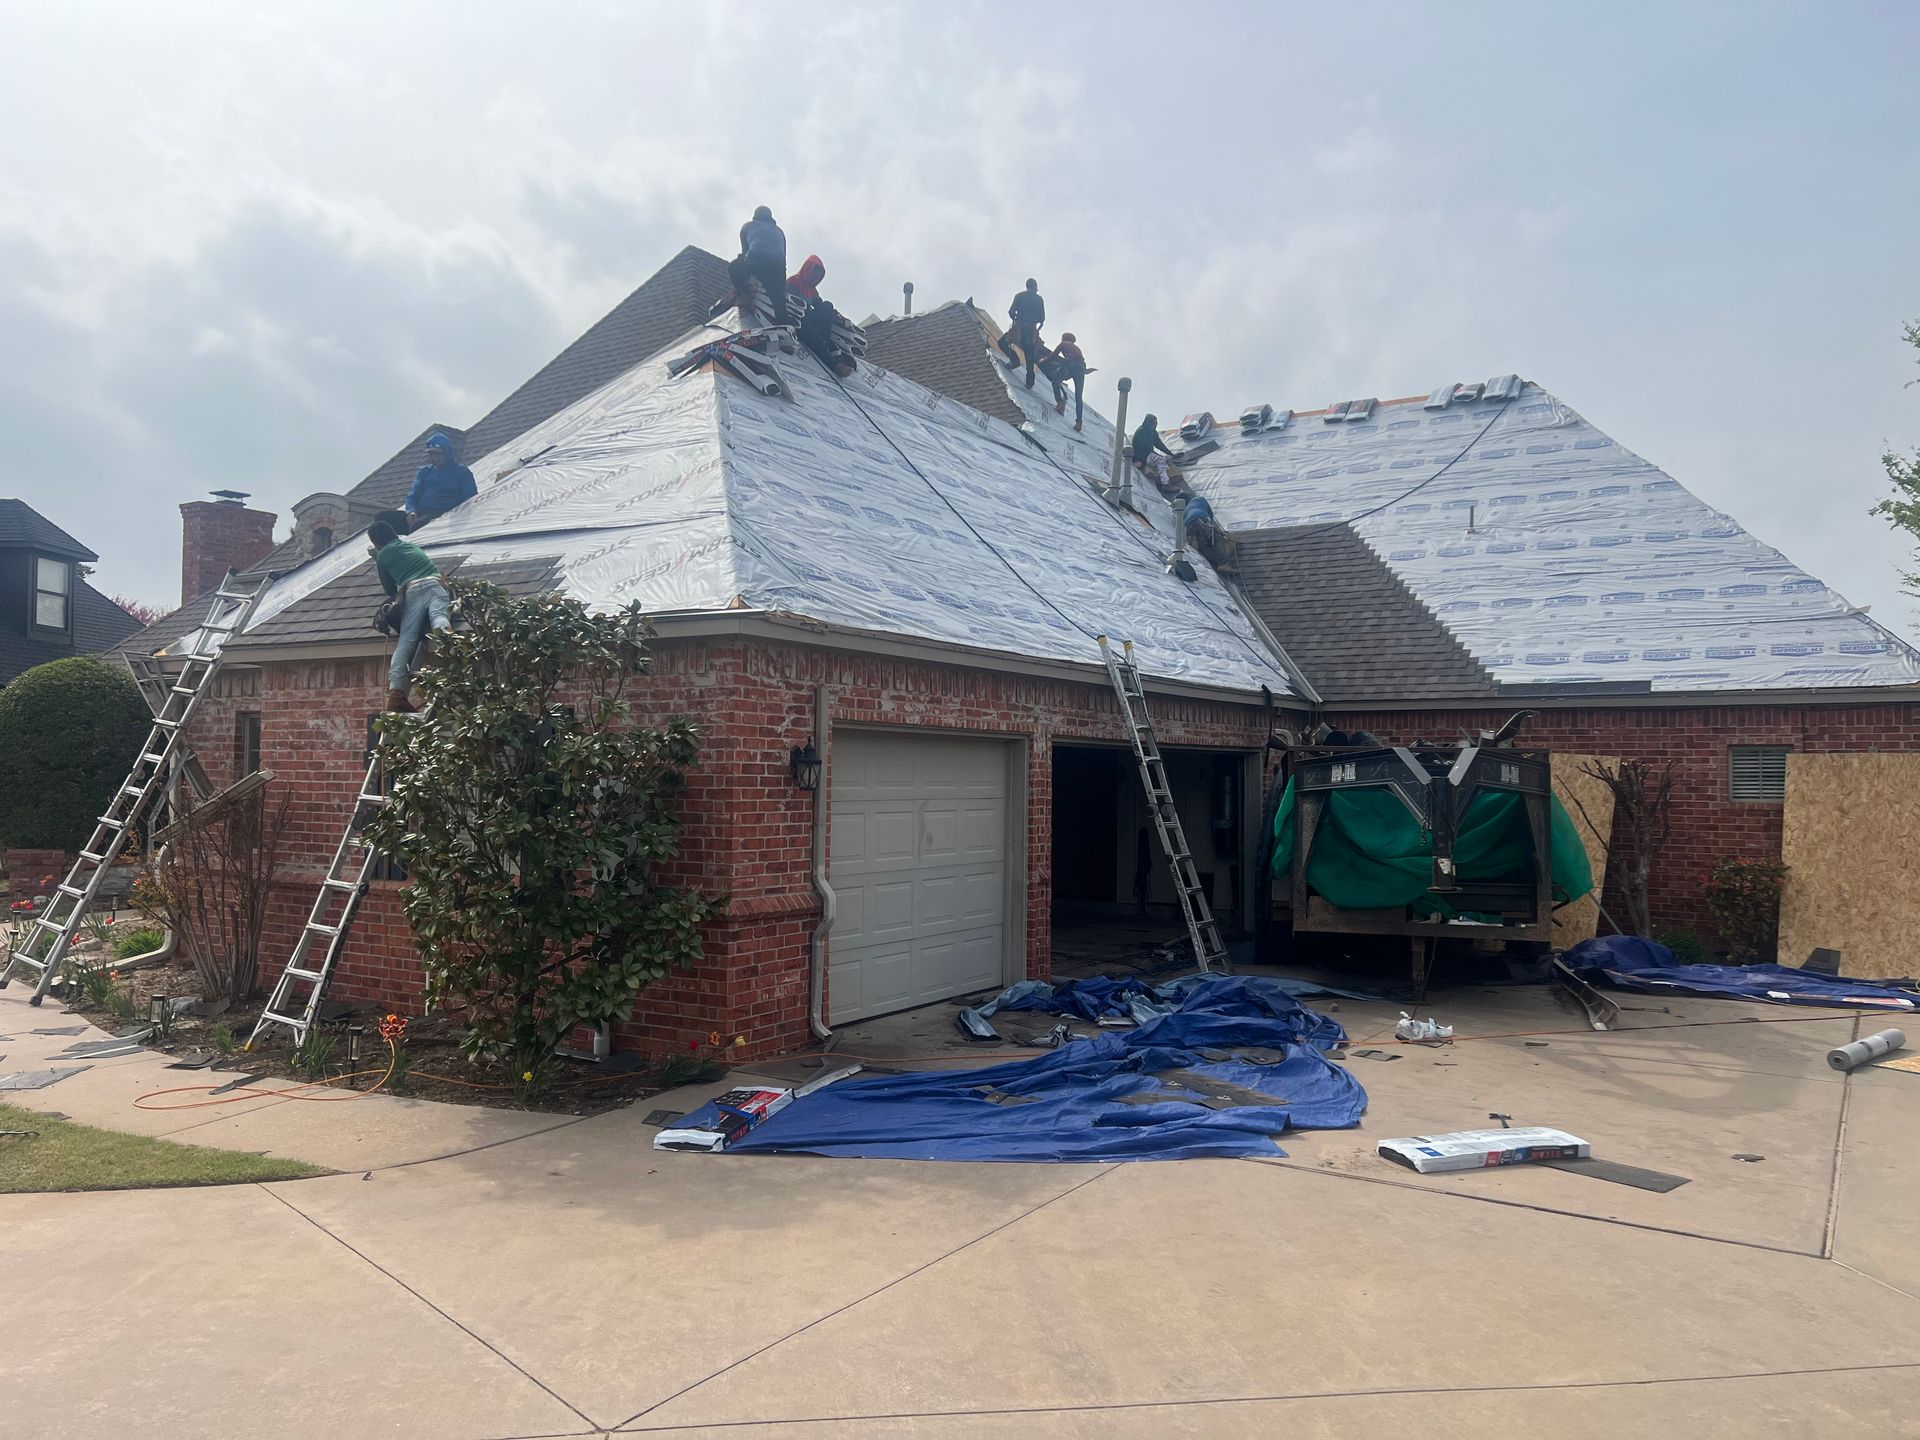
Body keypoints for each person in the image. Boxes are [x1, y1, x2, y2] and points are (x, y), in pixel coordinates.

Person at [368, 519, 451, 712]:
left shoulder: (382, 556)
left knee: (406, 639)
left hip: (411, 591)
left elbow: (389, 589)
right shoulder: (411, 546)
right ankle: (450, 647)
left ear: (376, 543)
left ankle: (396, 692)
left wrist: (380, 558)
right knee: (438, 615)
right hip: (434, 583)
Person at [404, 432, 476, 530]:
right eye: (432, 454)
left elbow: (470, 498)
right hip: (421, 512)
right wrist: (411, 511)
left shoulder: (461, 471)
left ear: (447, 453)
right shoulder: (424, 472)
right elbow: (412, 495)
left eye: (439, 454)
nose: (436, 458)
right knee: (385, 518)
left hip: (445, 514)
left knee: (417, 525)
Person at [729, 205, 788, 323]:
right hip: (778, 268)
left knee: (733, 267)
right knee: (779, 302)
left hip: (756, 262)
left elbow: (745, 253)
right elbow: (783, 256)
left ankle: (744, 294)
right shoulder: (779, 231)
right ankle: (784, 324)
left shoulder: (747, 226)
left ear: (755, 217)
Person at [996, 278, 1045, 388]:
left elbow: (1011, 311)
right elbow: (1042, 318)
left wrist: (1016, 318)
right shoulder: (1039, 299)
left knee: (1003, 343)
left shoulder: (1019, 296)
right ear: (1035, 287)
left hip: (1019, 327)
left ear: (1027, 286)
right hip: (1031, 330)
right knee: (1030, 356)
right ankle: (1030, 382)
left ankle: (1014, 359)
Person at [798, 298, 858, 378]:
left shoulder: (812, 292)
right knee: (815, 337)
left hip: (814, 321)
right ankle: (836, 366)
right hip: (800, 319)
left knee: (828, 306)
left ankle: (839, 357)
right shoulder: (796, 286)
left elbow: (817, 302)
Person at [1042, 331, 1087, 430]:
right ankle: (1079, 422)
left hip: (1071, 364)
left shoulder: (1064, 344)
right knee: (1078, 396)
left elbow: (1053, 355)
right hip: (1082, 367)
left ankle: (1060, 402)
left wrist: (1043, 360)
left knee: (1055, 380)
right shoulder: (1076, 348)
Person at [1183, 494, 1234, 575]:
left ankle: (1214, 561)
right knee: (1214, 538)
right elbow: (1211, 515)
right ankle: (1223, 564)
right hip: (1200, 519)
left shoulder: (1185, 510)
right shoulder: (1199, 499)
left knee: (1202, 545)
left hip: (1189, 527)